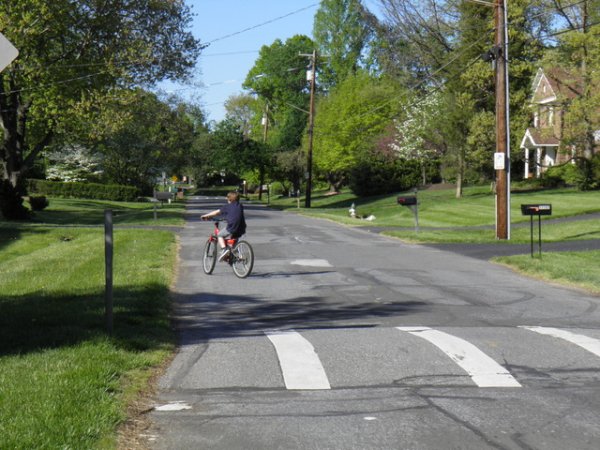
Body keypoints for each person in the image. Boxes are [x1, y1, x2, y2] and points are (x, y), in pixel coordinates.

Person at [201, 192, 247, 261]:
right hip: (242, 227)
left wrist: (207, 215)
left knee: (220, 235)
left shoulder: (227, 206)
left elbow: (216, 212)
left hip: (232, 226)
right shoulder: (240, 205)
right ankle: (235, 253)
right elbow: (235, 214)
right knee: (234, 237)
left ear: (229, 199)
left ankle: (224, 249)